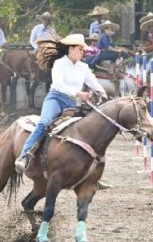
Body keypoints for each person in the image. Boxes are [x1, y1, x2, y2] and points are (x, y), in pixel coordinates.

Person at [15, 34, 107, 172]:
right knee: (44, 122)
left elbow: (93, 82)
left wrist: (103, 92)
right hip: (56, 99)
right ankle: (24, 156)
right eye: (81, 49)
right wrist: (79, 94)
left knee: (90, 130)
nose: (83, 53)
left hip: (72, 103)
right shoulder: (59, 64)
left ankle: (91, 170)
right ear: (71, 49)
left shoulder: (83, 67)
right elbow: (58, 85)